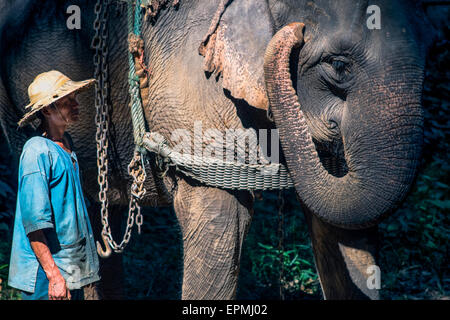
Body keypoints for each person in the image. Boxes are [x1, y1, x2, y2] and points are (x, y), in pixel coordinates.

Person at [8, 70, 100, 300]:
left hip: (68, 267)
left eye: (74, 98)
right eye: (67, 100)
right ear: (48, 109)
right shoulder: (36, 151)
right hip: (45, 273)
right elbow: (34, 224)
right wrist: (54, 276)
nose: (76, 104)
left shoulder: (66, 144)